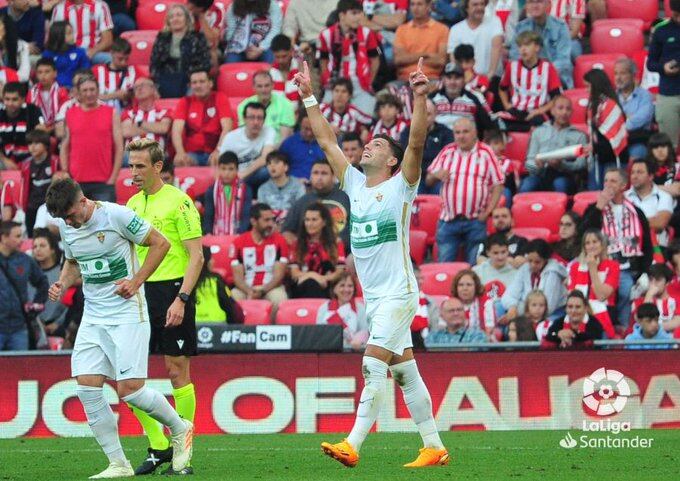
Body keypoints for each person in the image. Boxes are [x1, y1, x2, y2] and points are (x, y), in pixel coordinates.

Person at [296, 57, 449, 467]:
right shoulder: (354, 185)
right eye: (369, 142)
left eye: (378, 145)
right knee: (404, 372)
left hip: (399, 292)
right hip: (375, 298)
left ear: (393, 162)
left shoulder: (402, 186)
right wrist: (309, 95)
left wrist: (419, 97)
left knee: (371, 363)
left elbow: (415, 143)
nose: (369, 145)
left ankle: (353, 444)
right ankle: (434, 447)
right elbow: (328, 141)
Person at [45, 177, 193, 478]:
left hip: (127, 312)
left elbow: (160, 243)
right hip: (93, 316)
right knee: (87, 387)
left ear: (84, 201)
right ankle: (118, 463)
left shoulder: (117, 216)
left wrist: (136, 281)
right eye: (63, 219)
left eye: (71, 215)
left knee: (130, 391)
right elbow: (73, 262)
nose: (69, 222)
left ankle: (180, 428)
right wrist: (63, 281)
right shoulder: (67, 226)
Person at [124, 139, 203, 476]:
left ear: (157, 167)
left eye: (140, 166)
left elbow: (196, 256)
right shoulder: (130, 203)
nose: (134, 172)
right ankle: (157, 444)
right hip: (141, 295)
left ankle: (182, 450)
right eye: (131, 165)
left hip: (173, 291)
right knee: (129, 377)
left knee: (175, 371)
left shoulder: (179, 202)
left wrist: (182, 299)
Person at [581, 168, 653, 329]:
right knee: (614, 291)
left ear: (623, 185)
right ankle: (611, 327)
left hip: (629, 266)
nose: (608, 185)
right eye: (605, 181)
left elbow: (647, 245)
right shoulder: (594, 209)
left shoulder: (636, 212)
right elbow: (584, 232)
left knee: (626, 289)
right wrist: (599, 207)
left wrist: (646, 272)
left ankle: (622, 328)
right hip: (601, 265)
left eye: (613, 181)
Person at [426, 117, 504, 264]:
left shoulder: (486, 153)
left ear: (475, 133)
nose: (461, 136)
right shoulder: (447, 151)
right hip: (448, 220)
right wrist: (436, 174)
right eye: (457, 132)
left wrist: (488, 212)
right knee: (445, 266)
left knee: (475, 267)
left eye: (465, 132)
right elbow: (428, 179)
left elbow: (498, 184)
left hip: (475, 221)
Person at [60, 75, 122, 202]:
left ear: (98, 90)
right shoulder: (70, 113)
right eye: (85, 90)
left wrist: (113, 178)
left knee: (105, 221)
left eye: (92, 89)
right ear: (78, 93)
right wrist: (65, 172)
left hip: (104, 181)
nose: (89, 94)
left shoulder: (111, 113)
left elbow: (119, 147)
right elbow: (65, 146)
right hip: (77, 181)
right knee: (78, 222)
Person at [318, 0, 381, 114]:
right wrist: (327, 79)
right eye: (354, 13)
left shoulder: (368, 33)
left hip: (359, 85)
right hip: (335, 84)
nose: (359, 17)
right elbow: (323, 60)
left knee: (367, 116)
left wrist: (368, 82)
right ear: (342, 15)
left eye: (360, 13)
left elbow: (375, 61)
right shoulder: (326, 34)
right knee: (323, 116)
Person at [231, 203, 289, 314]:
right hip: (245, 288)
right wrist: (249, 291)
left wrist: (263, 290)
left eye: (272, 220)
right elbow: (237, 277)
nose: (271, 224)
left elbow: (279, 275)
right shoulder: (239, 242)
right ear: (253, 221)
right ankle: (237, 331)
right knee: (233, 297)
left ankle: (274, 331)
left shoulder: (280, 241)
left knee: (279, 299)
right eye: (266, 220)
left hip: (271, 287)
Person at [520, 95, 586, 193]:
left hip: (564, 175)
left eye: (568, 109)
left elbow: (581, 164)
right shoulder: (538, 131)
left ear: (571, 112)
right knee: (527, 185)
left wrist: (562, 165)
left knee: (560, 184)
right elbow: (529, 162)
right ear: (552, 111)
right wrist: (537, 166)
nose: (564, 112)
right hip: (540, 174)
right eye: (560, 108)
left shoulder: (579, 136)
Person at [499, 31, 562, 132]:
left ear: (537, 48)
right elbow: (502, 88)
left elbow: (557, 97)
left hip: (537, 112)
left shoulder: (548, 68)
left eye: (527, 45)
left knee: (539, 125)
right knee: (495, 122)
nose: (523, 49)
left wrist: (540, 110)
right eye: (520, 46)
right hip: (516, 111)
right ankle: (525, 129)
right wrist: (506, 105)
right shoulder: (512, 66)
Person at [283, 158, 352, 250]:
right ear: (310, 176)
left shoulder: (347, 197)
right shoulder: (302, 201)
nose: (319, 177)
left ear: (333, 176)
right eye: (315, 173)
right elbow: (286, 232)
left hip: (344, 252)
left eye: (324, 173)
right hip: (309, 256)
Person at [0, 220, 48, 351]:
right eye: (17, 236)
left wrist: (37, 304)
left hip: (19, 328)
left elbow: (42, 282)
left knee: (21, 369)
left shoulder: (25, 260)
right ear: (4, 238)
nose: (21, 240)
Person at [172, 69, 232, 167]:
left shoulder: (220, 97)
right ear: (190, 86)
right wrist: (180, 153)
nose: (198, 85)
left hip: (215, 151)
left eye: (202, 81)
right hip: (192, 154)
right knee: (181, 162)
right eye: (194, 83)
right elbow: (176, 131)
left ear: (210, 83)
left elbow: (227, 127)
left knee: (220, 161)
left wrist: (218, 150)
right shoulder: (185, 102)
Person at [149, 3, 211, 98]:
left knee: (196, 89)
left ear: (186, 18)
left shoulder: (197, 37)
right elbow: (154, 65)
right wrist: (159, 81)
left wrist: (190, 78)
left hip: (190, 80)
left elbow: (205, 63)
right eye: (172, 17)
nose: (175, 19)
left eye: (179, 15)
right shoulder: (162, 38)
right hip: (165, 80)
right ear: (168, 21)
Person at [509, 0, 573, 89]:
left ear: (548, 4)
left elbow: (563, 61)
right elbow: (515, 57)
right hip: (527, 79)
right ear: (526, 6)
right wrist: (530, 75)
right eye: (531, 2)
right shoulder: (520, 28)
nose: (535, 6)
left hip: (554, 78)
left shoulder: (560, 27)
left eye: (539, 2)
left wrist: (541, 74)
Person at [567, 229, 618, 338]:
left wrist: (592, 269)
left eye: (595, 242)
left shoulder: (613, 266)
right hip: (579, 311)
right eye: (587, 243)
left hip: (605, 311)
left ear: (602, 244)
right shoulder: (575, 267)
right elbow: (572, 296)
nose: (591, 246)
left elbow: (601, 296)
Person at [583, 68, 629, 190]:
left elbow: (613, 140)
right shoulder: (592, 106)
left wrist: (594, 148)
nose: (586, 90)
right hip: (599, 157)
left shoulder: (611, 106)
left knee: (611, 194)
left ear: (596, 85)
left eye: (588, 86)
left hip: (614, 158)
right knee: (593, 195)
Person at [501, 239, 568, 321]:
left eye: (537, 262)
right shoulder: (525, 268)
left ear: (545, 260)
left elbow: (548, 307)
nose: (532, 265)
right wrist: (512, 307)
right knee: (499, 307)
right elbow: (510, 294)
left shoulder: (553, 274)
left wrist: (519, 312)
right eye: (530, 261)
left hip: (551, 314)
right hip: (527, 309)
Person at [290, 202, 346, 298]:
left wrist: (322, 278)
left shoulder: (336, 243)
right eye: (307, 220)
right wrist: (313, 276)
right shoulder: (297, 244)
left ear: (324, 222)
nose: (309, 224)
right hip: (302, 285)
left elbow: (339, 272)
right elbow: (294, 273)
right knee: (310, 283)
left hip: (327, 285)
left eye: (314, 220)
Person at [399, 98, 454, 194]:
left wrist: (434, 174)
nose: (424, 118)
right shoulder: (407, 132)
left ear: (435, 114)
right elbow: (405, 157)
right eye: (421, 114)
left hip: (437, 178)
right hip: (414, 178)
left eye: (428, 114)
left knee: (444, 189)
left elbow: (449, 158)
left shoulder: (446, 133)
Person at [217, 101, 275, 191]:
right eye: (251, 118)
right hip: (233, 176)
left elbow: (265, 158)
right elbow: (221, 164)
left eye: (259, 118)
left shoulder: (269, 131)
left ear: (264, 120)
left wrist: (242, 175)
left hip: (252, 174)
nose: (256, 122)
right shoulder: (231, 137)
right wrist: (236, 178)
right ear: (244, 119)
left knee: (268, 171)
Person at [647, 0, 680, 150]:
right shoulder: (661, 30)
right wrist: (664, 68)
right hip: (669, 93)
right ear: (672, 12)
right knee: (668, 146)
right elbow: (651, 63)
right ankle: (670, 173)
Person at [428, 62, 495, 135]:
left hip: (465, 141)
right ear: (443, 80)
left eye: (457, 78)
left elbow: (488, 124)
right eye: (449, 78)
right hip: (437, 141)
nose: (452, 82)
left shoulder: (474, 99)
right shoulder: (432, 98)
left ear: (463, 80)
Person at [447, 0, 503, 82]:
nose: (479, 8)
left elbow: (497, 47)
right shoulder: (455, 30)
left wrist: (489, 76)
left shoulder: (495, 22)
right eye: (475, 5)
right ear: (466, 8)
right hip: (465, 80)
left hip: (491, 79)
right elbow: (454, 58)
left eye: (482, 4)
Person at [393, 0, 448, 82]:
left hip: (431, 79)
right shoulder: (401, 30)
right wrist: (426, 54)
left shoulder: (442, 29)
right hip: (405, 79)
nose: (415, 8)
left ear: (428, 6)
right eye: (412, 4)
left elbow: (440, 61)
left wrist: (410, 58)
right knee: (384, 93)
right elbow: (399, 60)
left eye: (419, 4)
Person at [625, 158, 674, 247]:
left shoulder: (664, 196)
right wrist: (651, 220)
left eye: (639, 172)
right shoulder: (624, 197)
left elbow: (659, 224)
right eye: (632, 172)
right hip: (629, 247)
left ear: (651, 176)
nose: (634, 176)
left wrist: (631, 222)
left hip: (656, 247)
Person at [20, 130, 60, 236]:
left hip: (50, 207)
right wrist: (24, 206)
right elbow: (24, 189)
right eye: (30, 143)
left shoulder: (55, 162)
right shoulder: (26, 165)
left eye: (36, 143)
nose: (32, 147)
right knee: (32, 237)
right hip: (32, 207)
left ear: (46, 145)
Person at [237, 70, 296, 142]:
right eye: (259, 86)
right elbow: (243, 135)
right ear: (253, 87)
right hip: (251, 148)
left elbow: (284, 138)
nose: (263, 90)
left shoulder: (286, 105)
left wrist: (269, 151)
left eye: (267, 85)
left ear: (273, 85)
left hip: (277, 150)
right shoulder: (243, 106)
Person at [202, 151, 251, 235]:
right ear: (218, 169)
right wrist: (208, 233)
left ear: (237, 170)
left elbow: (246, 216)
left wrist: (240, 234)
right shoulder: (211, 190)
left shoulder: (245, 190)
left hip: (238, 236)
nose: (226, 173)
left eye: (231, 169)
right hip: (216, 236)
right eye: (223, 168)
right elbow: (208, 215)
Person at [316, 272, 369, 351]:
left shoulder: (360, 308)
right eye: (342, 285)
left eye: (350, 286)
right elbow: (319, 333)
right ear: (334, 289)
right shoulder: (324, 308)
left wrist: (358, 340)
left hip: (353, 353)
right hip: (328, 352)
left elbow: (365, 331)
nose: (346, 289)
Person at [30, 228, 68, 337]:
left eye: (42, 246)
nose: (37, 250)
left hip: (59, 327)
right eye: (35, 246)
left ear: (52, 249)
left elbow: (69, 303)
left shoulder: (63, 273)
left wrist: (57, 324)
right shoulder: (29, 273)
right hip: (34, 326)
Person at [50, 0, 114, 65]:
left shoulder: (100, 6)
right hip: (67, 52)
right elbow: (54, 37)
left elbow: (108, 40)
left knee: (111, 59)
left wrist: (92, 51)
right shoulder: (59, 9)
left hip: (92, 52)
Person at [615, 58, 655, 160]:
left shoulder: (645, 96)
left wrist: (619, 123)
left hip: (637, 140)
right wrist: (628, 118)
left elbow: (640, 121)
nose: (618, 78)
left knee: (637, 154)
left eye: (623, 73)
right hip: (615, 141)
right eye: (616, 74)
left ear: (633, 76)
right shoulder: (611, 97)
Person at [0, 82, 45, 169]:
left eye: (14, 99)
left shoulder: (33, 110)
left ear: (23, 99)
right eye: (7, 99)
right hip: (5, 160)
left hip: (32, 157)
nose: (10, 103)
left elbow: (41, 135)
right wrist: (5, 160)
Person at [121, 77, 172, 152]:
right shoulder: (128, 113)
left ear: (153, 89)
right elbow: (126, 132)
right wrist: (154, 128)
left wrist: (139, 124)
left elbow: (164, 128)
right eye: (136, 87)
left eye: (143, 85)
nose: (139, 89)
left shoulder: (164, 112)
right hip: (132, 154)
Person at [194, 246, 243, 324]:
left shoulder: (185, 281)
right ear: (207, 262)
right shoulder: (216, 280)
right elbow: (229, 306)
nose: (213, 261)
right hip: (217, 324)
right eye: (211, 258)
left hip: (191, 326)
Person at [256, 150, 306, 224]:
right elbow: (262, 214)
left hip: (292, 226)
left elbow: (300, 210)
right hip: (270, 227)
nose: (272, 166)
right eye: (269, 163)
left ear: (286, 167)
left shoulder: (298, 186)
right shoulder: (262, 189)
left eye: (276, 162)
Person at [92, 37, 140, 111]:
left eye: (126, 59)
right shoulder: (96, 71)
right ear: (111, 53)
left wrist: (131, 95)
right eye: (120, 59)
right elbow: (87, 96)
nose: (123, 62)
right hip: (99, 113)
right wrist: (114, 95)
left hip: (125, 114)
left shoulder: (134, 71)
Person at [631, 263, 680, 335]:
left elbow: (677, 322)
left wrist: (652, 327)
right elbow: (640, 322)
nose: (653, 283)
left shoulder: (677, 301)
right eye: (651, 279)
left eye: (658, 280)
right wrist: (648, 297)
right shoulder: (638, 302)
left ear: (667, 283)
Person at [26, 57, 70, 134]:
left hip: (56, 129)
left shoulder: (62, 92)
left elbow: (65, 116)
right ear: (36, 75)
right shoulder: (32, 93)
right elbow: (29, 114)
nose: (43, 75)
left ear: (55, 73)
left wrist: (49, 129)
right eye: (40, 72)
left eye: (47, 72)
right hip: (37, 128)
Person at [42, 21, 90, 89]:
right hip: (54, 89)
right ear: (59, 35)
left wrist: (79, 77)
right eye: (69, 33)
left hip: (75, 89)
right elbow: (45, 74)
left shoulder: (80, 52)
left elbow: (86, 71)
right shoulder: (47, 54)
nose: (73, 36)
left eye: (72, 32)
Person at [450, 268, 496, 338]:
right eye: (461, 285)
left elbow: (489, 329)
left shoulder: (486, 303)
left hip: (480, 341)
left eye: (469, 285)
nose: (465, 288)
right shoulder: (449, 304)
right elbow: (443, 329)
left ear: (476, 287)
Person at [279, 109, 325, 179]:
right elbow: (280, 170)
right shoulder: (289, 144)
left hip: (319, 185)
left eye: (313, 129)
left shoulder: (325, 144)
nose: (309, 133)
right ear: (300, 125)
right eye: (306, 129)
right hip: (293, 185)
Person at [269, 34, 301, 102]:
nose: (281, 61)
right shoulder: (269, 73)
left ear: (291, 51)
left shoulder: (301, 68)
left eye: (284, 56)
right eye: (277, 57)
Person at [0, 12, 30, 82]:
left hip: (17, 86)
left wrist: (8, 77)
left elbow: (24, 75)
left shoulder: (22, 45)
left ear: (6, 27)